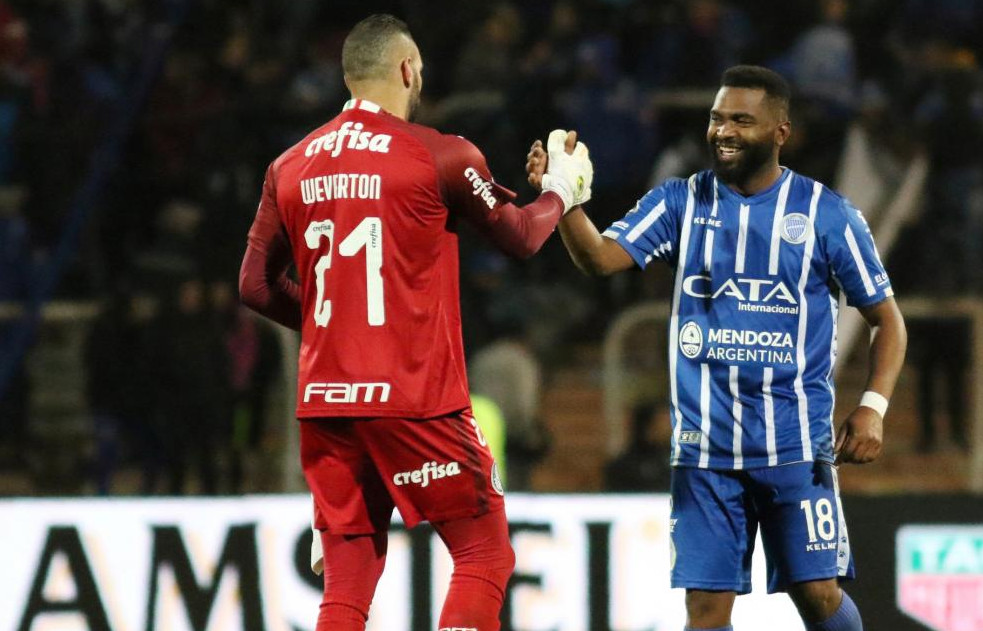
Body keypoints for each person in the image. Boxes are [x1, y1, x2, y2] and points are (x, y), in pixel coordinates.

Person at [238, 14, 593, 631]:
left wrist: (336, 326)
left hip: (324, 403)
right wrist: (559, 191)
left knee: (350, 580)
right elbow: (519, 239)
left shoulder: (288, 165)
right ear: (408, 70)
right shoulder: (440, 154)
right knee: (484, 551)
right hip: (411, 396)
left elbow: (254, 285)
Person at [527, 65, 906, 631]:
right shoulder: (681, 201)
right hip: (705, 451)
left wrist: (872, 407)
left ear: (781, 132)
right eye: (716, 118)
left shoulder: (827, 214)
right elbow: (600, 259)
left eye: (740, 120)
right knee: (704, 613)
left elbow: (888, 321)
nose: (722, 131)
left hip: (796, 447)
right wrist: (565, 199)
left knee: (817, 594)